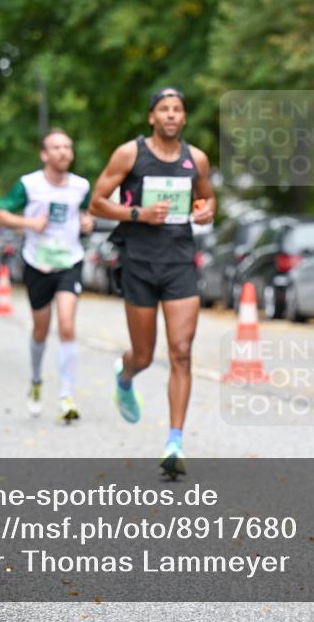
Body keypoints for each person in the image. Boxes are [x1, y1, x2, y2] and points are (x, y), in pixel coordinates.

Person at [90, 87, 216, 478]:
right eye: (164, 109)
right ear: (152, 117)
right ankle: (125, 377)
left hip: (179, 262)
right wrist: (137, 214)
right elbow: (96, 202)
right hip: (139, 262)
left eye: (178, 109)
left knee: (181, 350)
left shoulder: (195, 159)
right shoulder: (130, 154)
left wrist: (205, 212)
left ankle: (174, 441)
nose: (171, 115)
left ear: (184, 117)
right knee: (144, 355)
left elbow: (208, 202)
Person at [0, 128, 94, 423]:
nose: (63, 152)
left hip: (69, 261)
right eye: (56, 147)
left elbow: (88, 214)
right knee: (41, 329)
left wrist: (88, 222)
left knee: (66, 324)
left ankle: (66, 395)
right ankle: (36, 380)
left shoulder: (81, 186)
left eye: (67, 147)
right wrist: (28, 222)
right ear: (44, 154)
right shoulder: (28, 185)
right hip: (37, 263)